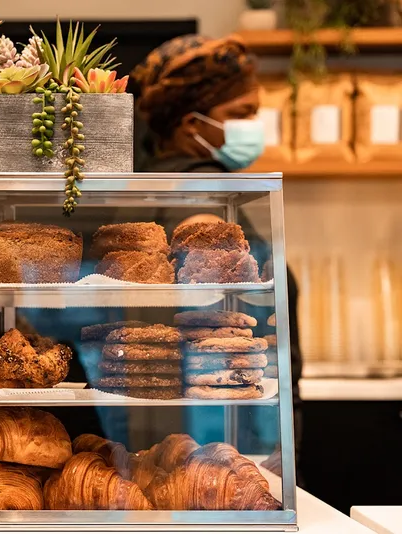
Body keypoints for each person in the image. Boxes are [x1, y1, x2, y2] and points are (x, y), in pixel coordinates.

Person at [131, 34, 303, 482]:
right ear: (192, 124)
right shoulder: (203, 193)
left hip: (191, 427)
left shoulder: (151, 183)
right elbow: (220, 326)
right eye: (241, 113)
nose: (253, 125)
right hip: (220, 435)